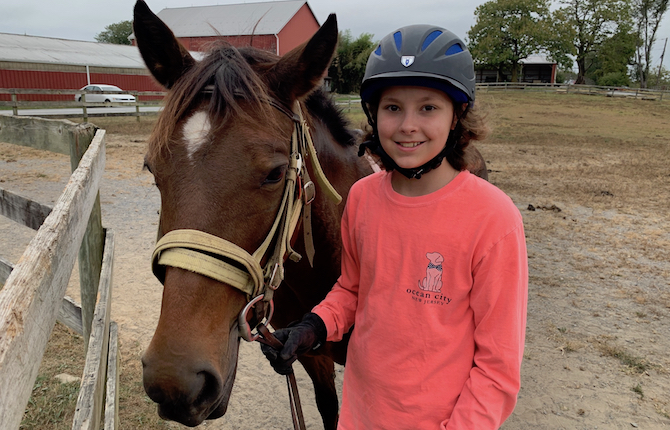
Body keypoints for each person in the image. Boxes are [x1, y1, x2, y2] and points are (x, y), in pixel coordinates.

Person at [262, 24, 528, 430]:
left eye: (428, 108)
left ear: (457, 115)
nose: (407, 125)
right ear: (374, 114)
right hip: (360, 415)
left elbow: (497, 368)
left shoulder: (494, 218)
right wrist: (313, 327)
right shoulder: (363, 198)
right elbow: (353, 290)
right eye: (392, 108)